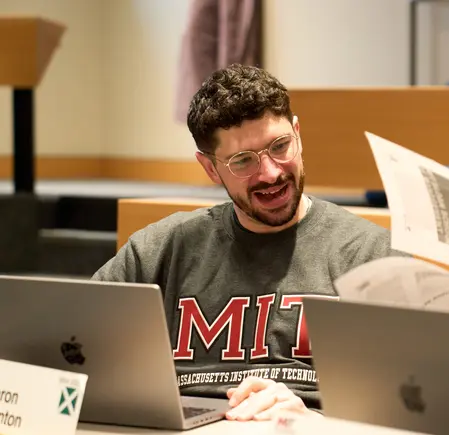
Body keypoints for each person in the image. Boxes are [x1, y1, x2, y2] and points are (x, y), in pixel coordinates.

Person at [92, 64, 400, 421]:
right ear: (210, 169)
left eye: (281, 146)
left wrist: (318, 422)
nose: (270, 173)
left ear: (297, 133)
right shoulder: (159, 251)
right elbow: (73, 352)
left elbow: (412, 406)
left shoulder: (373, 256)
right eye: (243, 161)